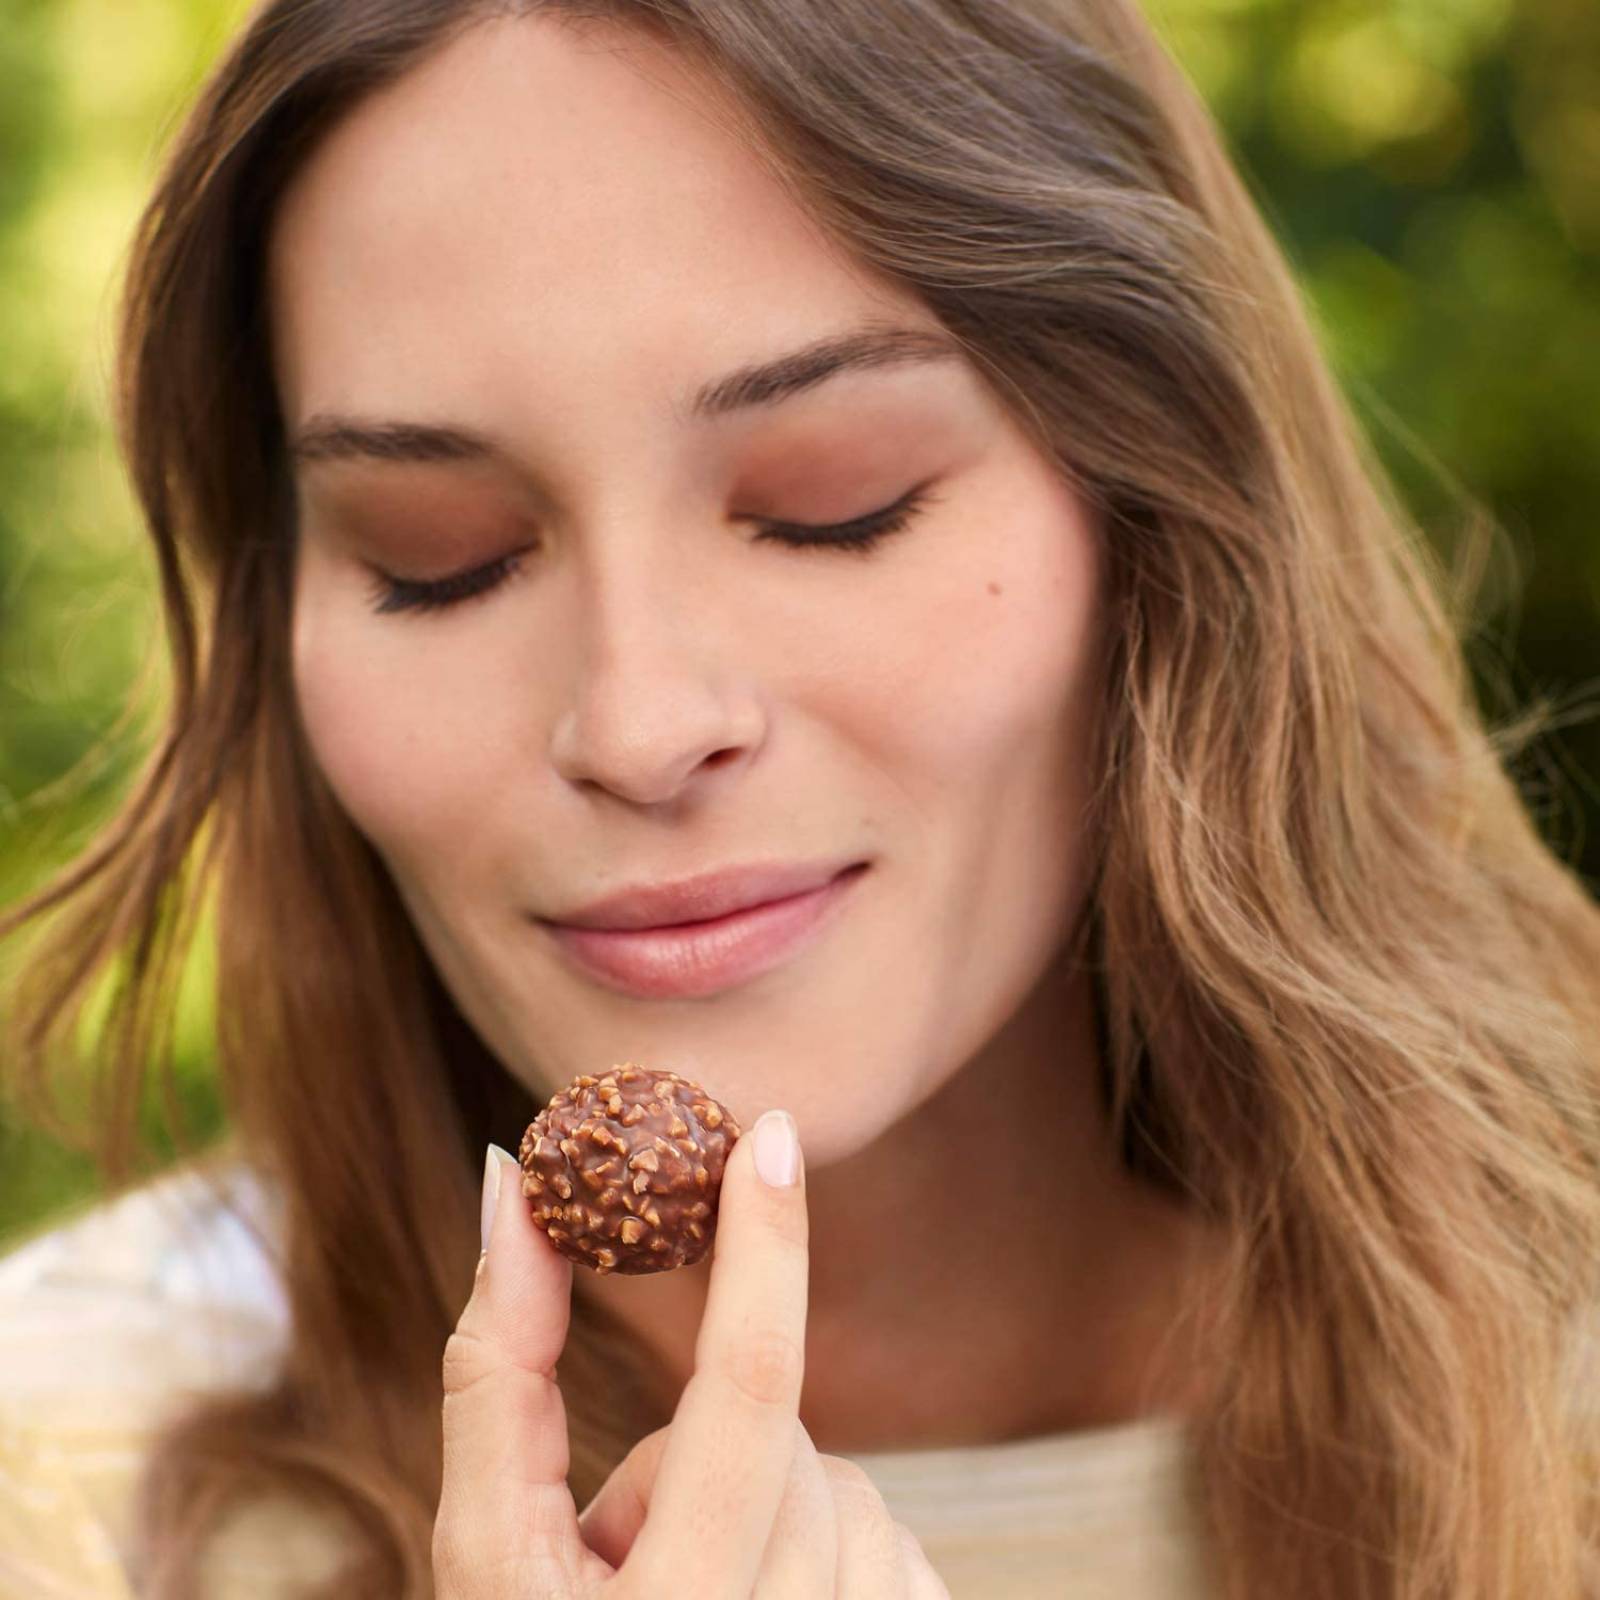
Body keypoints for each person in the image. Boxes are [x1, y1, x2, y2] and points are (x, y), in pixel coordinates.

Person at [2, 0, 1598, 1596]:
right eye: (441, 560)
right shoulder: (60, 1481)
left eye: (839, 507)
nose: (637, 723)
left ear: (1160, 514)